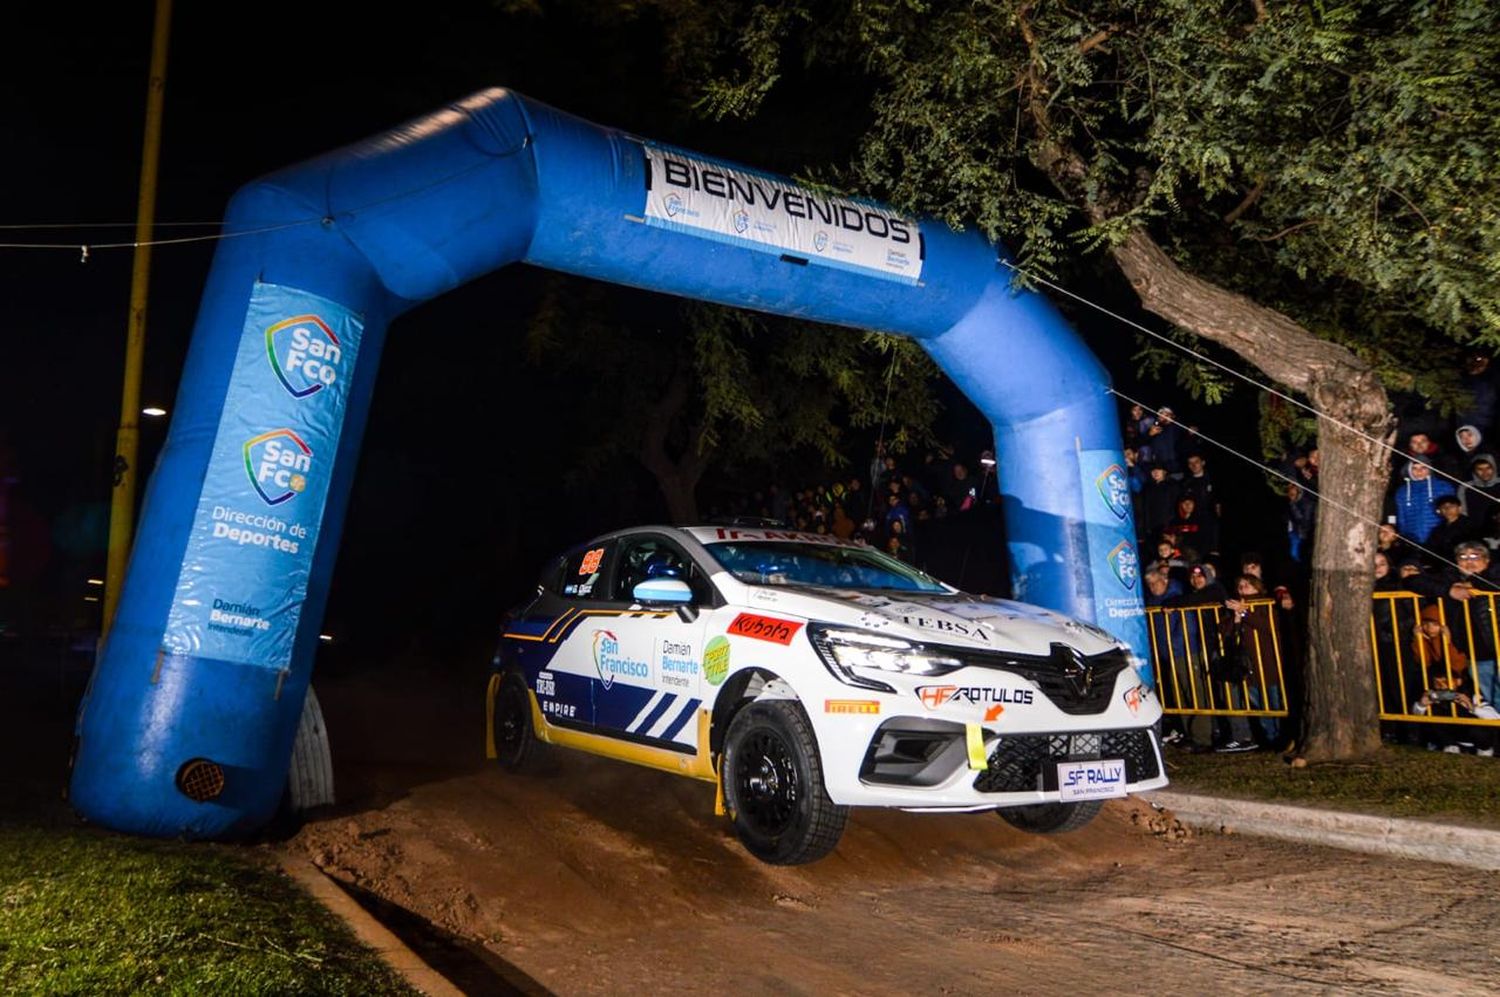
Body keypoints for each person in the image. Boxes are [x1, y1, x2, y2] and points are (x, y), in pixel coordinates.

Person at [1408, 540, 1500, 709]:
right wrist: (1449, 590)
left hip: (1497, 650)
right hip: (1477, 657)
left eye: (1475, 557)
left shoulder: (1495, 571)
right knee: (1496, 704)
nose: (1469, 561)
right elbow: (1412, 581)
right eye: (1462, 557)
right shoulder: (1450, 578)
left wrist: (1473, 584)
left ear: (1487, 560)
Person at [1218, 574, 1286, 751]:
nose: (1243, 588)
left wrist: (1245, 612)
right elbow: (1226, 632)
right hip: (1248, 664)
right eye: (1240, 585)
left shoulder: (1265, 604)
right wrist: (1236, 617)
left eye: (1247, 585)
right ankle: (1268, 737)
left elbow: (1269, 626)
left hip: (1267, 661)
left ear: (1257, 587)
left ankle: (1279, 737)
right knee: (1258, 702)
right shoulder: (1235, 606)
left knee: (1273, 700)